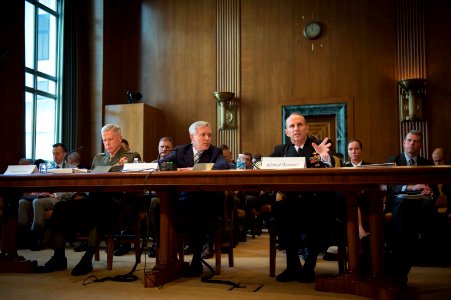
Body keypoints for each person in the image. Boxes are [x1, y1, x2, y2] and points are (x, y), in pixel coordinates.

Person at [35, 124, 141, 275]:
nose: (107, 143)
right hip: (95, 201)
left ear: (120, 138)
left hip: (118, 203)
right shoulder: (98, 159)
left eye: (110, 139)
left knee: (101, 207)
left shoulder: (132, 157)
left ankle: (87, 258)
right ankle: (59, 257)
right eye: (104, 140)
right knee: (61, 208)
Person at [270, 112, 335, 283]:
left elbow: (332, 166)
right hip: (290, 200)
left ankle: (309, 267)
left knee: (317, 217)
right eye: (292, 126)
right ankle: (293, 266)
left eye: (300, 125)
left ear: (307, 128)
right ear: (287, 132)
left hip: (314, 200)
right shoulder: (281, 150)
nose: (296, 128)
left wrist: (325, 158)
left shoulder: (319, 146)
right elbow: (265, 166)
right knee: (281, 212)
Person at [159, 121, 230, 276]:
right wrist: (175, 169)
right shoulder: (180, 151)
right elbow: (162, 164)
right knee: (161, 207)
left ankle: (196, 257)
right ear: (192, 137)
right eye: (203, 135)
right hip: (183, 200)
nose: (207, 138)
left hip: (207, 200)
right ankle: (168, 257)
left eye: (209, 135)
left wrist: (194, 169)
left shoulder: (215, 152)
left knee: (197, 209)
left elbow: (224, 166)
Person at [385, 130, 440, 283]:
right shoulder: (393, 160)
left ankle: (423, 244)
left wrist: (429, 190)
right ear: (403, 142)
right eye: (409, 140)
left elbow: (435, 191)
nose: (412, 144)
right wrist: (409, 187)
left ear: (420, 145)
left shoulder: (427, 163)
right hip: (400, 202)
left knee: (428, 202)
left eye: (416, 141)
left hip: (421, 203)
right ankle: (406, 245)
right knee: (403, 204)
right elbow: (389, 187)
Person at [17, 143, 72, 250]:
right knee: (23, 202)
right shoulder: (48, 167)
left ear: (64, 154)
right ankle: (23, 236)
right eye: (53, 154)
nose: (55, 156)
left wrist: (54, 194)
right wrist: (38, 192)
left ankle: (38, 237)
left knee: (37, 203)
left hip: (59, 198)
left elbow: (72, 190)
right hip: (45, 195)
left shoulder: (72, 168)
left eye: (57, 154)